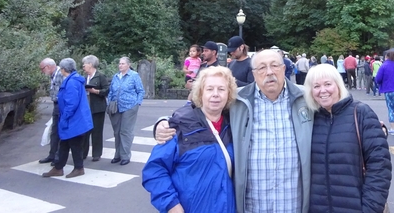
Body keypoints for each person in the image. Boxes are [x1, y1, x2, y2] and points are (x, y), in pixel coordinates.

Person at [155, 49, 313, 213]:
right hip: (252, 206)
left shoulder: (306, 98)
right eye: (262, 68)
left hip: (292, 204)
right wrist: (165, 122)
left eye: (274, 66)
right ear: (254, 73)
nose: (269, 72)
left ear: (283, 68)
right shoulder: (240, 101)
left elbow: (333, 107)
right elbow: (197, 110)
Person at [142, 66, 238, 213]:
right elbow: (155, 170)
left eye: (221, 89)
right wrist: (171, 205)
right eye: (210, 89)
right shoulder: (180, 126)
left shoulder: (235, 126)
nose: (215, 94)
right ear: (200, 93)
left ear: (229, 94)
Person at [304, 64, 391, 212]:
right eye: (316, 86)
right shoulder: (310, 120)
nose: (322, 90)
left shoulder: (361, 113)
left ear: (338, 85)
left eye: (328, 84)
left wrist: (370, 208)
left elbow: (380, 166)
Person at [42, 58, 92, 178]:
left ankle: (78, 168)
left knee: (73, 144)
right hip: (76, 118)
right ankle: (59, 167)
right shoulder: (75, 80)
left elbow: (71, 104)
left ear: (63, 69)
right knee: (65, 143)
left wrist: (64, 118)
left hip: (73, 119)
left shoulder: (71, 82)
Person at [107, 56, 145, 166]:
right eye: (119, 63)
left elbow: (140, 91)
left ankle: (125, 156)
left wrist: (137, 103)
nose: (120, 65)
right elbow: (111, 91)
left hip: (129, 106)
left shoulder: (134, 76)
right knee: (117, 131)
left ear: (128, 65)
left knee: (125, 131)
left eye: (123, 64)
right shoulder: (116, 76)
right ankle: (117, 155)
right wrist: (109, 102)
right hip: (116, 107)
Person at [82, 55, 109, 162]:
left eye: (85, 64)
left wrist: (96, 91)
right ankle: (83, 153)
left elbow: (107, 90)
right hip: (86, 108)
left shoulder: (100, 76)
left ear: (90, 64)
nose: (83, 66)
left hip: (98, 108)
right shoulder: (84, 78)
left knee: (97, 131)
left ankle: (96, 154)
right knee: (84, 131)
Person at [38, 58, 64, 165]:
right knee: (54, 131)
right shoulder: (53, 74)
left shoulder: (60, 74)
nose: (42, 71)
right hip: (56, 104)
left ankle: (58, 156)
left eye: (42, 69)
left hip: (61, 105)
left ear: (48, 67)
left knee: (59, 131)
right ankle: (52, 155)